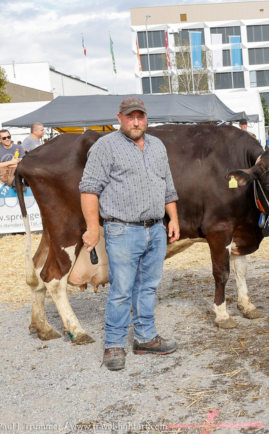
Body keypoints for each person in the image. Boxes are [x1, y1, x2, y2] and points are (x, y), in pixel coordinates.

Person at [79, 97, 180, 371]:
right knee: (122, 290)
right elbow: (89, 189)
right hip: (122, 229)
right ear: (120, 118)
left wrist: (173, 219)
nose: (136, 122)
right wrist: (91, 228)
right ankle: (114, 344)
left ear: (146, 118)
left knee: (148, 286)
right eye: (130, 117)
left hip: (156, 228)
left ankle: (146, 338)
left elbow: (167, 186)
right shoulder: (105, 147)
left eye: (140, 117)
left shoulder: (157, 145)